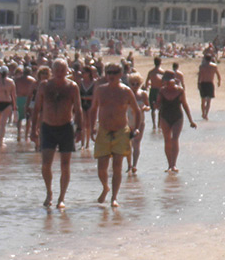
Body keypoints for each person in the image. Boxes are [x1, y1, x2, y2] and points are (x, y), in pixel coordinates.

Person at [30, 58, 83, 209]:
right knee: (46, 164)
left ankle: (62, 198)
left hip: (66, 127)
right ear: (52, 71)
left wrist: (80, 129)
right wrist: (33, 130)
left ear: (67, 71)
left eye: (62, 70)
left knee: (65, 165)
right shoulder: (45, 86)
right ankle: (49, 192)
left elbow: (78, 109)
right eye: (57, 70)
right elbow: (37, 108)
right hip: (48, 127)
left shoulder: (72, 87)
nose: (60, 73)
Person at [91, 63, 143, 207]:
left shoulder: (126, 91)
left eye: (114, 73)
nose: (111, 75)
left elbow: (137, 111)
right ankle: (105, 187)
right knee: (101, 167)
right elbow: (93, 108)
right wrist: (91, 127)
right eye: (109, 72)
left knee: (117, 166)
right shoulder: (100, 90)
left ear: (120, 75)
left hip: (121, 131)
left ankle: (114, 197)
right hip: (103, 130)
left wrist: (136, 129)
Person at [157, 71, 198, 172]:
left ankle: (174, 164)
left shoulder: (180, 91)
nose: (166, 83)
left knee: (175, 139)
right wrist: (155, 105)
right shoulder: (162, 91)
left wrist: (191, 120)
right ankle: (169, 165)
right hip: (164, 116)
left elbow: (185, 105)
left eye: (168, 81)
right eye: (165, 81)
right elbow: (158, 105)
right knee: (167, 140)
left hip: (177, 117)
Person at [196, 54, 221, 120]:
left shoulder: (202, 66)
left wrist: (198, 83)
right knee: (209, 101)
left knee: (203, 101)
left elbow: (199, 76)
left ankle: (203, 113)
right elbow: (218, 75)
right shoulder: (214, 66)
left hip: (203, 83)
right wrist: (219, 81)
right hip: (210, 83)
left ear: (205, 59)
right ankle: (206, 114)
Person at [145, 57, 165, 130]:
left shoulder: (151, 72)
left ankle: (154, 124)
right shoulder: (162, 72)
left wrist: (147, 87)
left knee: (153, 109)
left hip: (153, 90)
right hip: (159, 91)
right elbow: (164, 83)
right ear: (160, 63)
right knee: (160, 108)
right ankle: (159, 124)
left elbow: (146, 83)